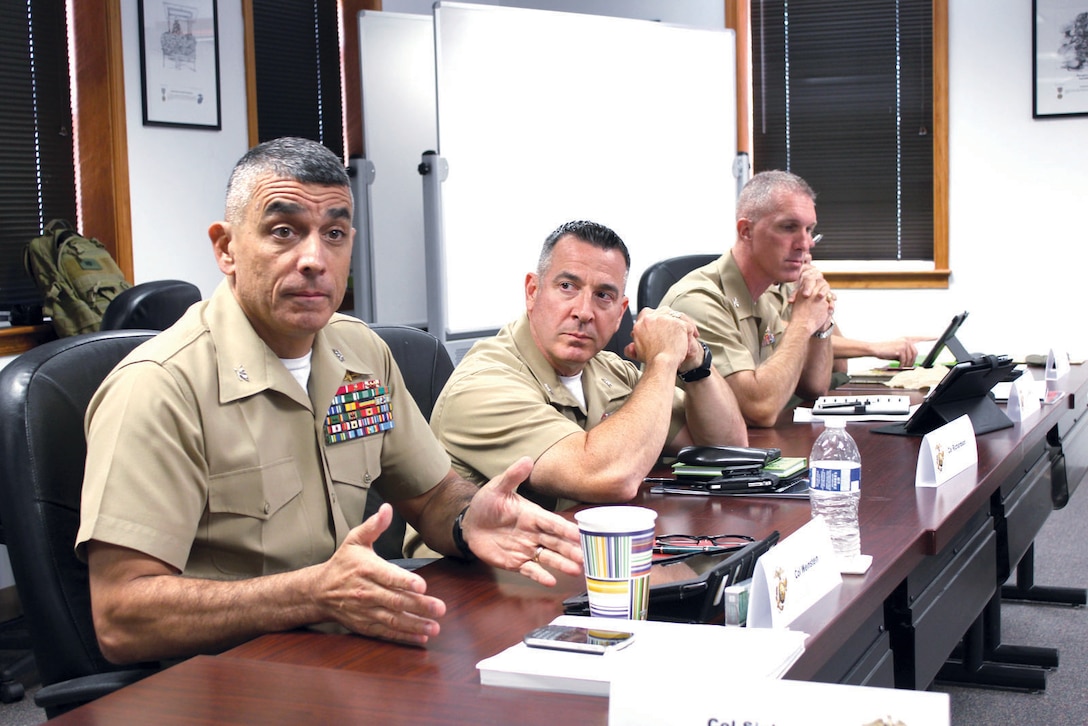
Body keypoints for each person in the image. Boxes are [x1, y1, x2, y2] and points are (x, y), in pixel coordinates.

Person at [75, 137, 583, 665]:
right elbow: (121, 615)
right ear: (226, 248)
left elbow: (430, 497)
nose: (315, 259)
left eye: (334, 234)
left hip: (348, 651)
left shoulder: (359, 356)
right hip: (228, 681)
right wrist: (310, 593)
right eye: (283, 232)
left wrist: (468, 517)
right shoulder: (159, 388)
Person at [428, 220, 748, 514]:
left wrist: (695, 361)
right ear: (532, 291)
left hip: (579, 557)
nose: (584, 312)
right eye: (567, 286)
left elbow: (729, 448)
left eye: (603, 295)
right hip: (475, 575)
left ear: (621, 312)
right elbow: (609, 477)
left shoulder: (608, 370)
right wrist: (664, 359)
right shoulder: (484, 384)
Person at [659, 170, 836, 427]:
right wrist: (803, 322)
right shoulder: (699, 301)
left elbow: (814, 386)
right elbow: (759, 409)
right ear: (746, 231)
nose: (805, 244)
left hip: (742, 452)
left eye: (809, 230)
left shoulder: (760, 299)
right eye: (789, 227)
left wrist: (821, 323)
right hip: (682, 463)